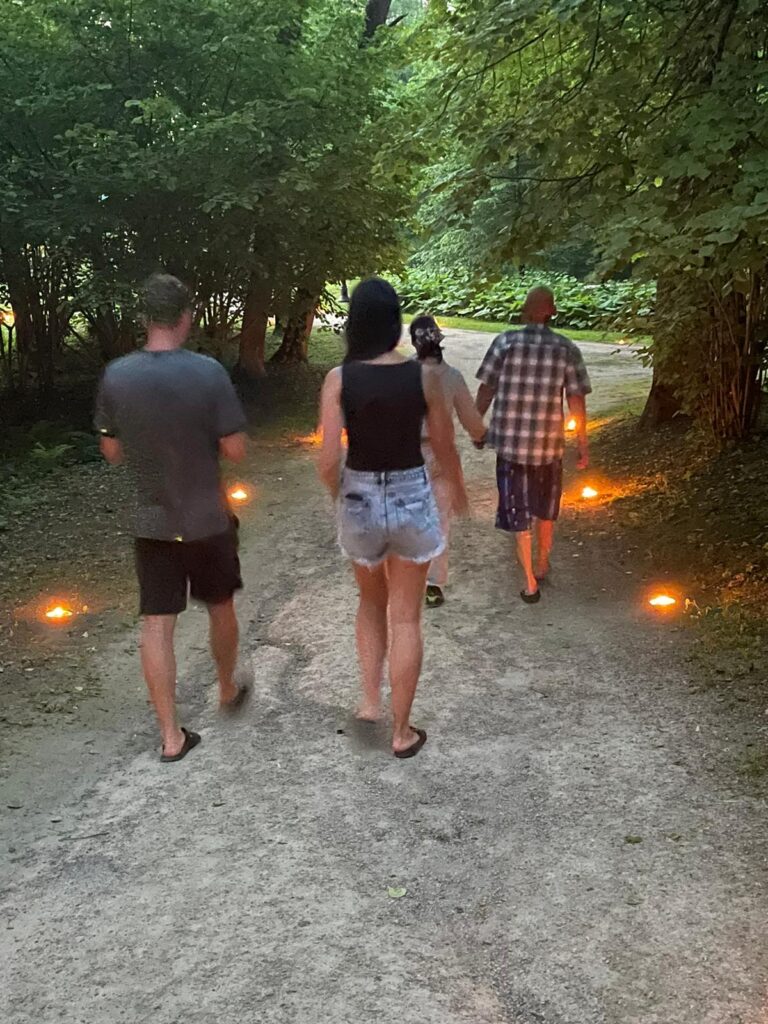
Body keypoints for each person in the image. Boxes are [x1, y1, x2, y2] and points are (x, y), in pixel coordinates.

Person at [95, 273, 249, 763]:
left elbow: (111, 451)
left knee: (157, 625)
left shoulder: (116, 375)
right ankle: (226, 687)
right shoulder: (208, 372)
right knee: (220, 604)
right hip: (207, 518)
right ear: (186, 317)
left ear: (145, 318)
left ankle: (170, 737)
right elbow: (235, 448)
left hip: (152, 521)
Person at [318, 279, 467, 759]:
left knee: (369, 602)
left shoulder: (339, 379)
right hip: (410, 494)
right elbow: (443, 445)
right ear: (395, 324)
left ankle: (369, 702)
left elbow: (327, 460)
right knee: (406, 616)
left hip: (360, 494)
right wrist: (459, 490)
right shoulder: (423, 377)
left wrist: (339, 496)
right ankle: (402, 733)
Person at [475, 286, 591, 604]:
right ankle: (542, 562)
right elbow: (576, 399)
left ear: (525, 310)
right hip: (549, 448)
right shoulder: (566, 348)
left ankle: (529, 581)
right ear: (552, 312)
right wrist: (582, 443)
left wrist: (476, 426)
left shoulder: (504, 342)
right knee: (545, 508)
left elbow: (486, 389)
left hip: (511, 447)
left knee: (518, 511)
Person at [409, 314, 486, 607]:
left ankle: (407, 577)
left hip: (407, 454)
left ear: (414, 343)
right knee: (439, 519)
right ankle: (433, 583)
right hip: (440, 454)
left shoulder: (403, 373)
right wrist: (480, 436)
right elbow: (471, 419)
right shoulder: (452, 377)